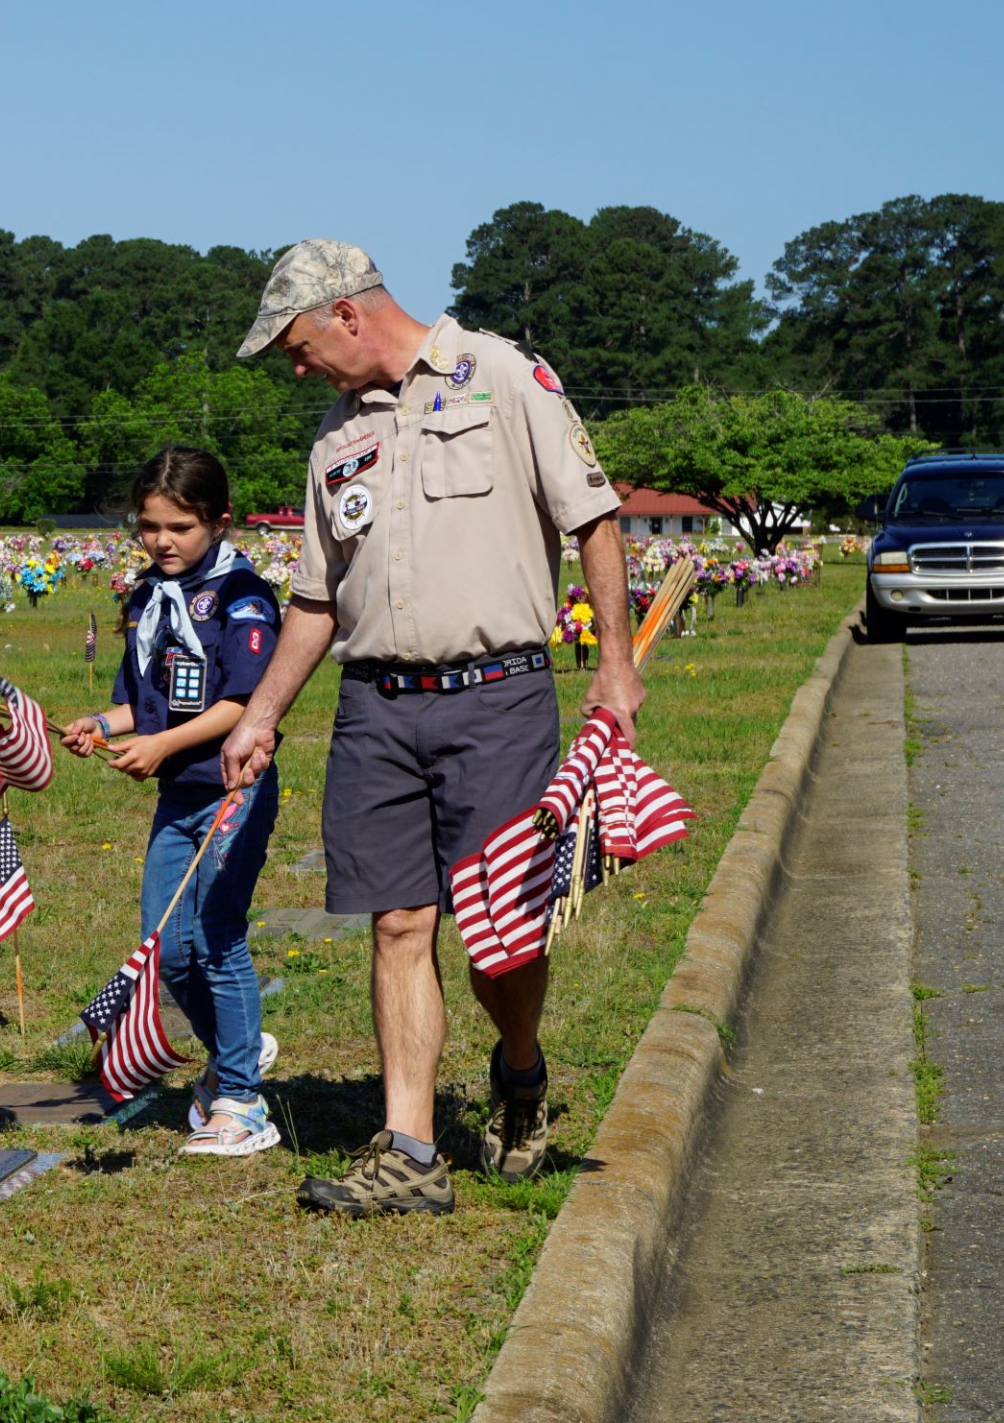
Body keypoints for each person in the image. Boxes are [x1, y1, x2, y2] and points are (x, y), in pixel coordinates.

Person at [217, 240, 641, 1217]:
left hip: (496, 697)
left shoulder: (499, 374)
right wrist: (264, 715)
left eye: (294, 345)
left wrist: (613, 663)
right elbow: (318, 599)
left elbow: (595, 518)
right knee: (399, 920)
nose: (294, 367)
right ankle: (408, 1151)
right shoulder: (334, 437)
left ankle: (519, 1071)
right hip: (375, 709)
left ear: (347, 315)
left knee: (503, 938)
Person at [62, 447, 284, 1158]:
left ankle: (243, 1100)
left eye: (180, 527)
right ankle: (236, 1049)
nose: (161, 540)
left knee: (216, 938)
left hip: (232, 791)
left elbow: (243, 703)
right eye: (149, 525)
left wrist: (163, 746)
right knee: (165, 949)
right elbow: (141, 703)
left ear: (218, 522)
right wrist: (101, 723)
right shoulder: (147, 598)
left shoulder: (243, 597)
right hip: (177, 796)